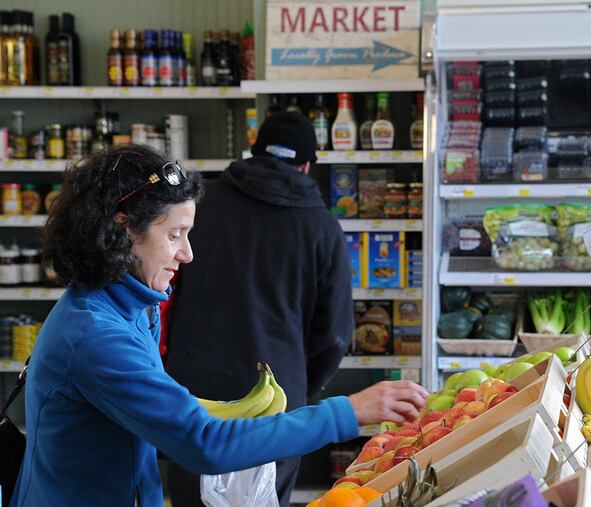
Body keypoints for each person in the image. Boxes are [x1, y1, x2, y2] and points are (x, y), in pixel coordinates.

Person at [10, 145, 428, 507]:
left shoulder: (132, 307)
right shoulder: (96, 337)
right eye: (175, 234)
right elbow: (204, 443)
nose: (187, 254)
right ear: (124, 231)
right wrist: (350, 412)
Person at [163, 111, 355, 506]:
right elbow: (335, 336)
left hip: (193, 391)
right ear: (305, 166)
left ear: (253, 152)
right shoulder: (321, 227)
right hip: (277, 397)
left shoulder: (199, 205)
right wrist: (299, 384)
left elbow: (164, 289)